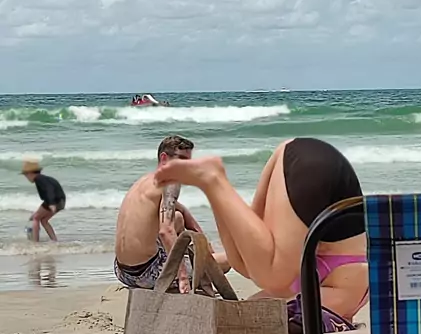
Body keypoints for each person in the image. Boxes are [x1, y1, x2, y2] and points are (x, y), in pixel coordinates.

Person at [152, 138, 368, 321]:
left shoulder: (322, 289)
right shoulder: (342, 301)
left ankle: (214, 188)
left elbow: (255, 308)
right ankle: (213, 180)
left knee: (243, 262)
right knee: (274, 276)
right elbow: (287, 316)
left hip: (293, 153)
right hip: (316, 167)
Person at [114, 135, 229, 292]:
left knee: (178, 218)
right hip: (146, 274)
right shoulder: (170, 181)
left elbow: (181, 211)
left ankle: (193, 257)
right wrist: (182, 276)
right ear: (164, 158)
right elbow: (165, 231)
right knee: (226, 261)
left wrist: (205, 244)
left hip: (122, 272)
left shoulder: (144, 181)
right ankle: (187, 266)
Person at [21, 160, 66, 243]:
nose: (26, 178)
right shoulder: (44, 178)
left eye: (26, 175)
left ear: (30, 173)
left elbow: (49, 189)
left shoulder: (39, 179)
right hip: (61, 201)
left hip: (54, 201)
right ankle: (54, 240)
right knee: (43, 220)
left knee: (36, 218)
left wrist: (52, 203)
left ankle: (35, 242)